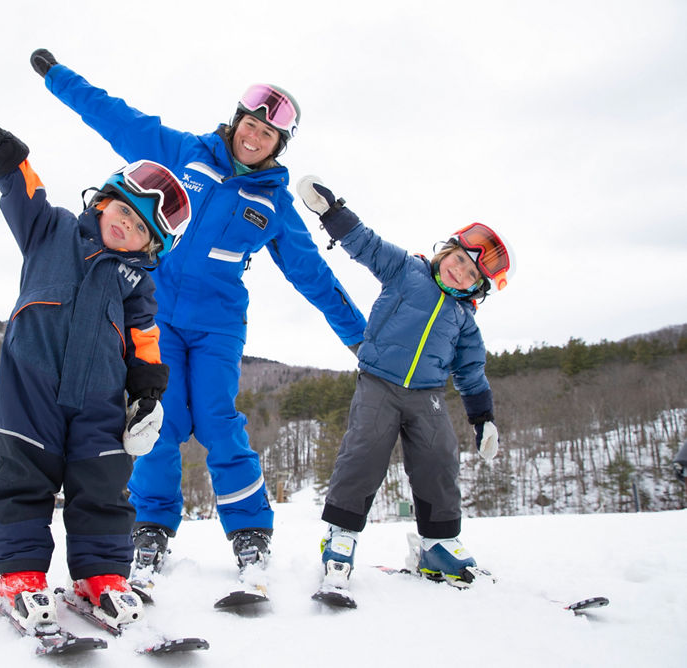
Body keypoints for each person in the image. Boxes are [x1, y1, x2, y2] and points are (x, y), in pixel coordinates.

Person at [28, 49, 367, 581]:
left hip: (217, 325)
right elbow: (115, 116)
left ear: (280, 145)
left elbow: (312, 276)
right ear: (237, 121)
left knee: (215, 418)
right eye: (250, 125)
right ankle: (151, 528)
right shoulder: (183, 152)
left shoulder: (273, 203)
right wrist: (57, 77)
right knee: (158, 421)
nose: (254, 138)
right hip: (153, 312)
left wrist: (359, 338)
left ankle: (250, 532)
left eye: (268, 135)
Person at [0, 82, 191, 629]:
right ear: (102, 201)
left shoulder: (136, 284)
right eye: (123, 210)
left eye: (139, 227)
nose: (125, 225)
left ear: (150, 247)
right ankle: (19, 575)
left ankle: (100, 576)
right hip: (32, 387)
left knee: (102, 486)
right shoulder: (49, 231)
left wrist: (148, 397)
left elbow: (145, 341)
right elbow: (18, 187)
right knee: (23, 476)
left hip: (100, 398)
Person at [297, 175, 515, 592]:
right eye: (459, 260)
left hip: (428, 395)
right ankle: (340, 535)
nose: (459, 272)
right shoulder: (405, 270)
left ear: (477, 288)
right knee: (364, 451)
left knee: (439, 460)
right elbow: (366, 243)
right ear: (446, 251)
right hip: (379, 382)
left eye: (470, 274)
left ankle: (438, 543)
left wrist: (483, 419)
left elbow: (471, 372)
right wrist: (332, 213)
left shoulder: (464, 321)